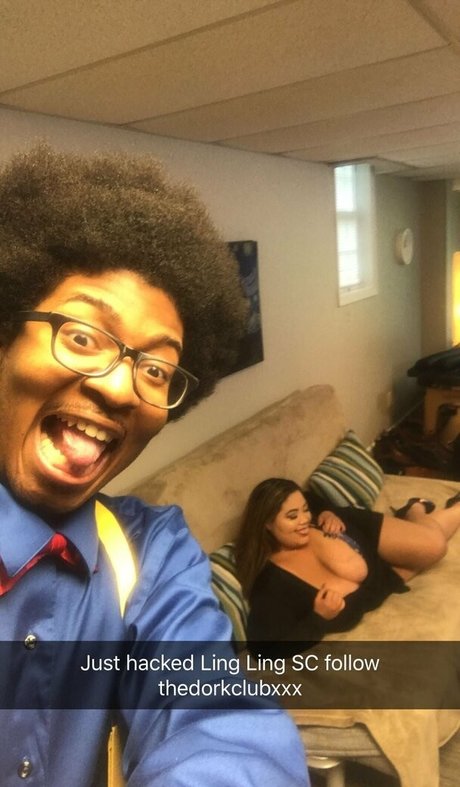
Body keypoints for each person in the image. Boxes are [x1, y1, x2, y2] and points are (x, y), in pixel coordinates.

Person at [0, 145, 309, 786]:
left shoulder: (152, 556)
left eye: (157, 370)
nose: (120, 388)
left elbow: (220, 722)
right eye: (82, 336)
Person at [235, 478, 460, 654]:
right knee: (428, 547)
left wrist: (327, 511)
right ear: (266, 523)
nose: (304, 519)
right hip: (382, 578)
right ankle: (414, 508)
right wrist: (318, 618)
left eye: (305, 510)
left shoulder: (307, 519)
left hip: (360, 533)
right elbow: (264, 650)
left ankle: (415, 509)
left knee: (434, 546)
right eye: (292, 516)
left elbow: (309, 498)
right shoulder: (272, 583)